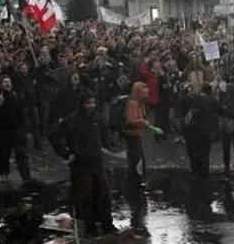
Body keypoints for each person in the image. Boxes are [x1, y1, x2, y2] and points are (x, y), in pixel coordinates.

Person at [49, 89, 117, 235]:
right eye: (88, 103)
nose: (91, 106)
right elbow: (54, 135)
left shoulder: (97, 118)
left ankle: (106, 223)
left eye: (93, 102)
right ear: (82, 104)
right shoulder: (72, 120)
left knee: (103, 193)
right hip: (80, 164)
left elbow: (104, 134)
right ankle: (89, 226)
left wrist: (105, 147)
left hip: (97, 161)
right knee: (85, 195)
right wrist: (66, 153)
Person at [124, 81, 162, 187]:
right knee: (137, 159)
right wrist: (143, 122)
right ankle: (135, 182)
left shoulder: (139, 103)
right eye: (143, 94)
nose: (146, 96)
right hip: (131, 135)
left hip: (136, 134)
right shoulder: (133, 103)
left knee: (138, 159)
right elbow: (130, 120)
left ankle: (137, 180)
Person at [0, 76, 31, 183]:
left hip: (17, 129)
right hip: (4, 130)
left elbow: (23, 110)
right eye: (5, 82)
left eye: (9, 82)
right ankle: (4, 174)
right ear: (0, 85)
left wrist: (24, 126)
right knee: (4, 154)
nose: (7, 83)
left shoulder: (16, 96)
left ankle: (26, 176)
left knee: (21, 153)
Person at [183, 83, 219, 177]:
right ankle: (204, 172)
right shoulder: (212, 100)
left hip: (193, 130)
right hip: (206, 130)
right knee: (205, 153)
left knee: (194, 151)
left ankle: (195, 171)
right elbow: (219, 111)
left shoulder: (195, 99)